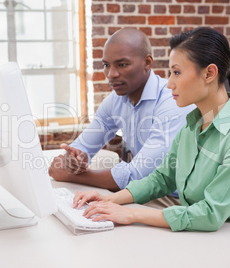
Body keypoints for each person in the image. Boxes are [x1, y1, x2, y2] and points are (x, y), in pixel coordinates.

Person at [72, 27, 230, 232]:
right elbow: (162, 178)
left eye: (176, 72)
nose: (169, 84)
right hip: (196, 236)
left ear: (209, 73)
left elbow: (211, 213)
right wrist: (109, 199)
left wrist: (131, 213)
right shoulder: (192, 125)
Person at [48, 28, 194, 196]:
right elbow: (83, 147)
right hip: (147, 192)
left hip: (178, 199)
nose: (111, 74)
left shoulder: (173, 101)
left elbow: (137, 175)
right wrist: (73, 160)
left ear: (147, 62)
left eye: (122, 65)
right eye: (106, 65)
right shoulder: (116, 101)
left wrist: (72, 176)